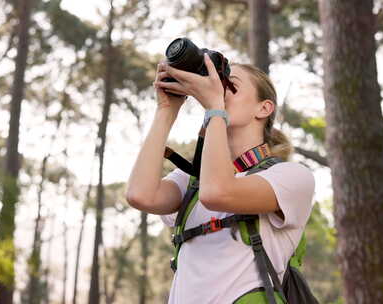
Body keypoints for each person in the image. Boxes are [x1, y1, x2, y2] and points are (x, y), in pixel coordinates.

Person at [126, 53, 315, 303]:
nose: (220, 88)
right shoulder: (191, 179)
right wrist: (166, 110)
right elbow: (140, 195)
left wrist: (215, 109)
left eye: (230, 83)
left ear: (264, 108)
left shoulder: (291, 177)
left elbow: (218, 193)